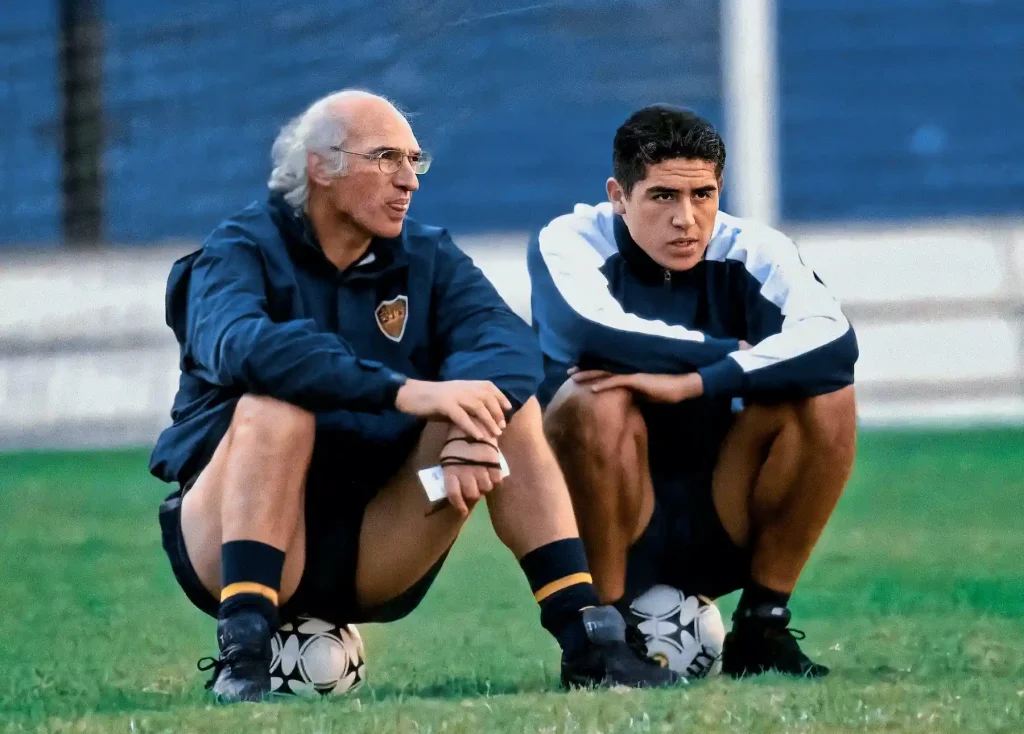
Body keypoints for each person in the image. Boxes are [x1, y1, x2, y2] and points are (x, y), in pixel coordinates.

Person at [148, 90, 677, 703]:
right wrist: (402, 392)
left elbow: (508, 344)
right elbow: (244, 347)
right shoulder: (236, 252)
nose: (408, 181)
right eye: (385, 159)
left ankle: (592, 642)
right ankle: (242, 657)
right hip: (231, 539)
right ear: (322, 166)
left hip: (376, 543)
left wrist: (470, 432)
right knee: (275, 408)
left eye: (414, 161)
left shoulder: (425, 255)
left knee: (503, 407)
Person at [527, 105, 858, 678]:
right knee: (594, 399)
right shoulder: (570, 241)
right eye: (662, 197)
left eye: (702, 195)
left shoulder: (754, 249)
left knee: (826, 396)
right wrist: (728, 353)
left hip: (721, 508)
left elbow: (833, 344)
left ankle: (761, 627)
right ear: (619, 195)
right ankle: (601, 639)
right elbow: (588, 330)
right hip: (612, 515)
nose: (687, 219)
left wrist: (695, 382)